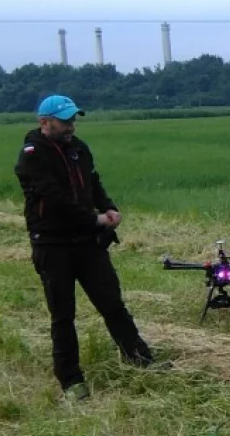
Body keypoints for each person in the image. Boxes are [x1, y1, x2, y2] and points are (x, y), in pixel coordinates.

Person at [14, 94, 163, 401]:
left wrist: (109, 208)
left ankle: (139, 358)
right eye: (65, 121)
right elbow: (55, 198)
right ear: (45, 122)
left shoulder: (79, 150)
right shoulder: (33, 154)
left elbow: (93, 185)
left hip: (88, 243)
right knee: (63, 314)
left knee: (112, 303)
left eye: (73, 120)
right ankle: (71, 381)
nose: (71, 126)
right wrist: (94, 219)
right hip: (53, 244)